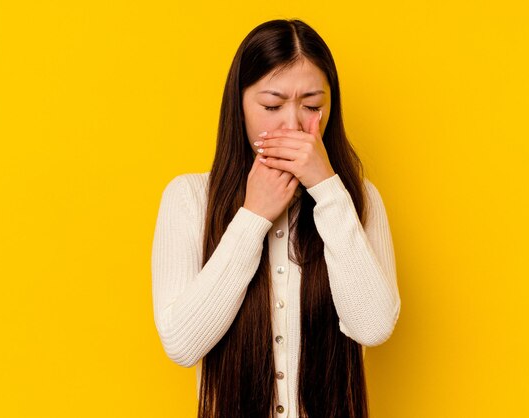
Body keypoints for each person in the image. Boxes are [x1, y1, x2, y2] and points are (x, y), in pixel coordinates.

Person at [152, 18, 401, 418]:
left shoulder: (356, 199)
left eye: (312, 106)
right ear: (240, 105)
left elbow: (372, 326)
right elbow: (182, 344)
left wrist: (327, 189)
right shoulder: (189, 199)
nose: (292, 125)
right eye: (271, 106)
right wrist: (253, 216)